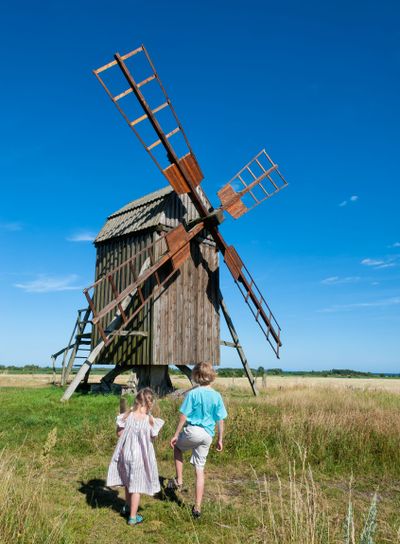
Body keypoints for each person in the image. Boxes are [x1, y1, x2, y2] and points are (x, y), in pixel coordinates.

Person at [170, 362, 227, 518]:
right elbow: (220, 420)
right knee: (199, 470)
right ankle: (197, 507)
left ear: (195, 376)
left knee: (178, 448)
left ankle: (179, 479)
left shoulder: (193, 394)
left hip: (193, 431)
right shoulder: (217, 396)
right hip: (208, 435)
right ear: (212, 377)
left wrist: (176, 434)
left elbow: (183, 415)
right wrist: (220, 439)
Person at [107, 388, 164, 526]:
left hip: (126, 453)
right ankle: (133, 517)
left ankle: (127, 506)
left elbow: (119, 434)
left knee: (127, 481)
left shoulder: (127, 416)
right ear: (150, 404)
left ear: (136, 401)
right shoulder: (150, 420)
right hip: (140, 457)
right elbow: (153, 436)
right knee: (137, 487)